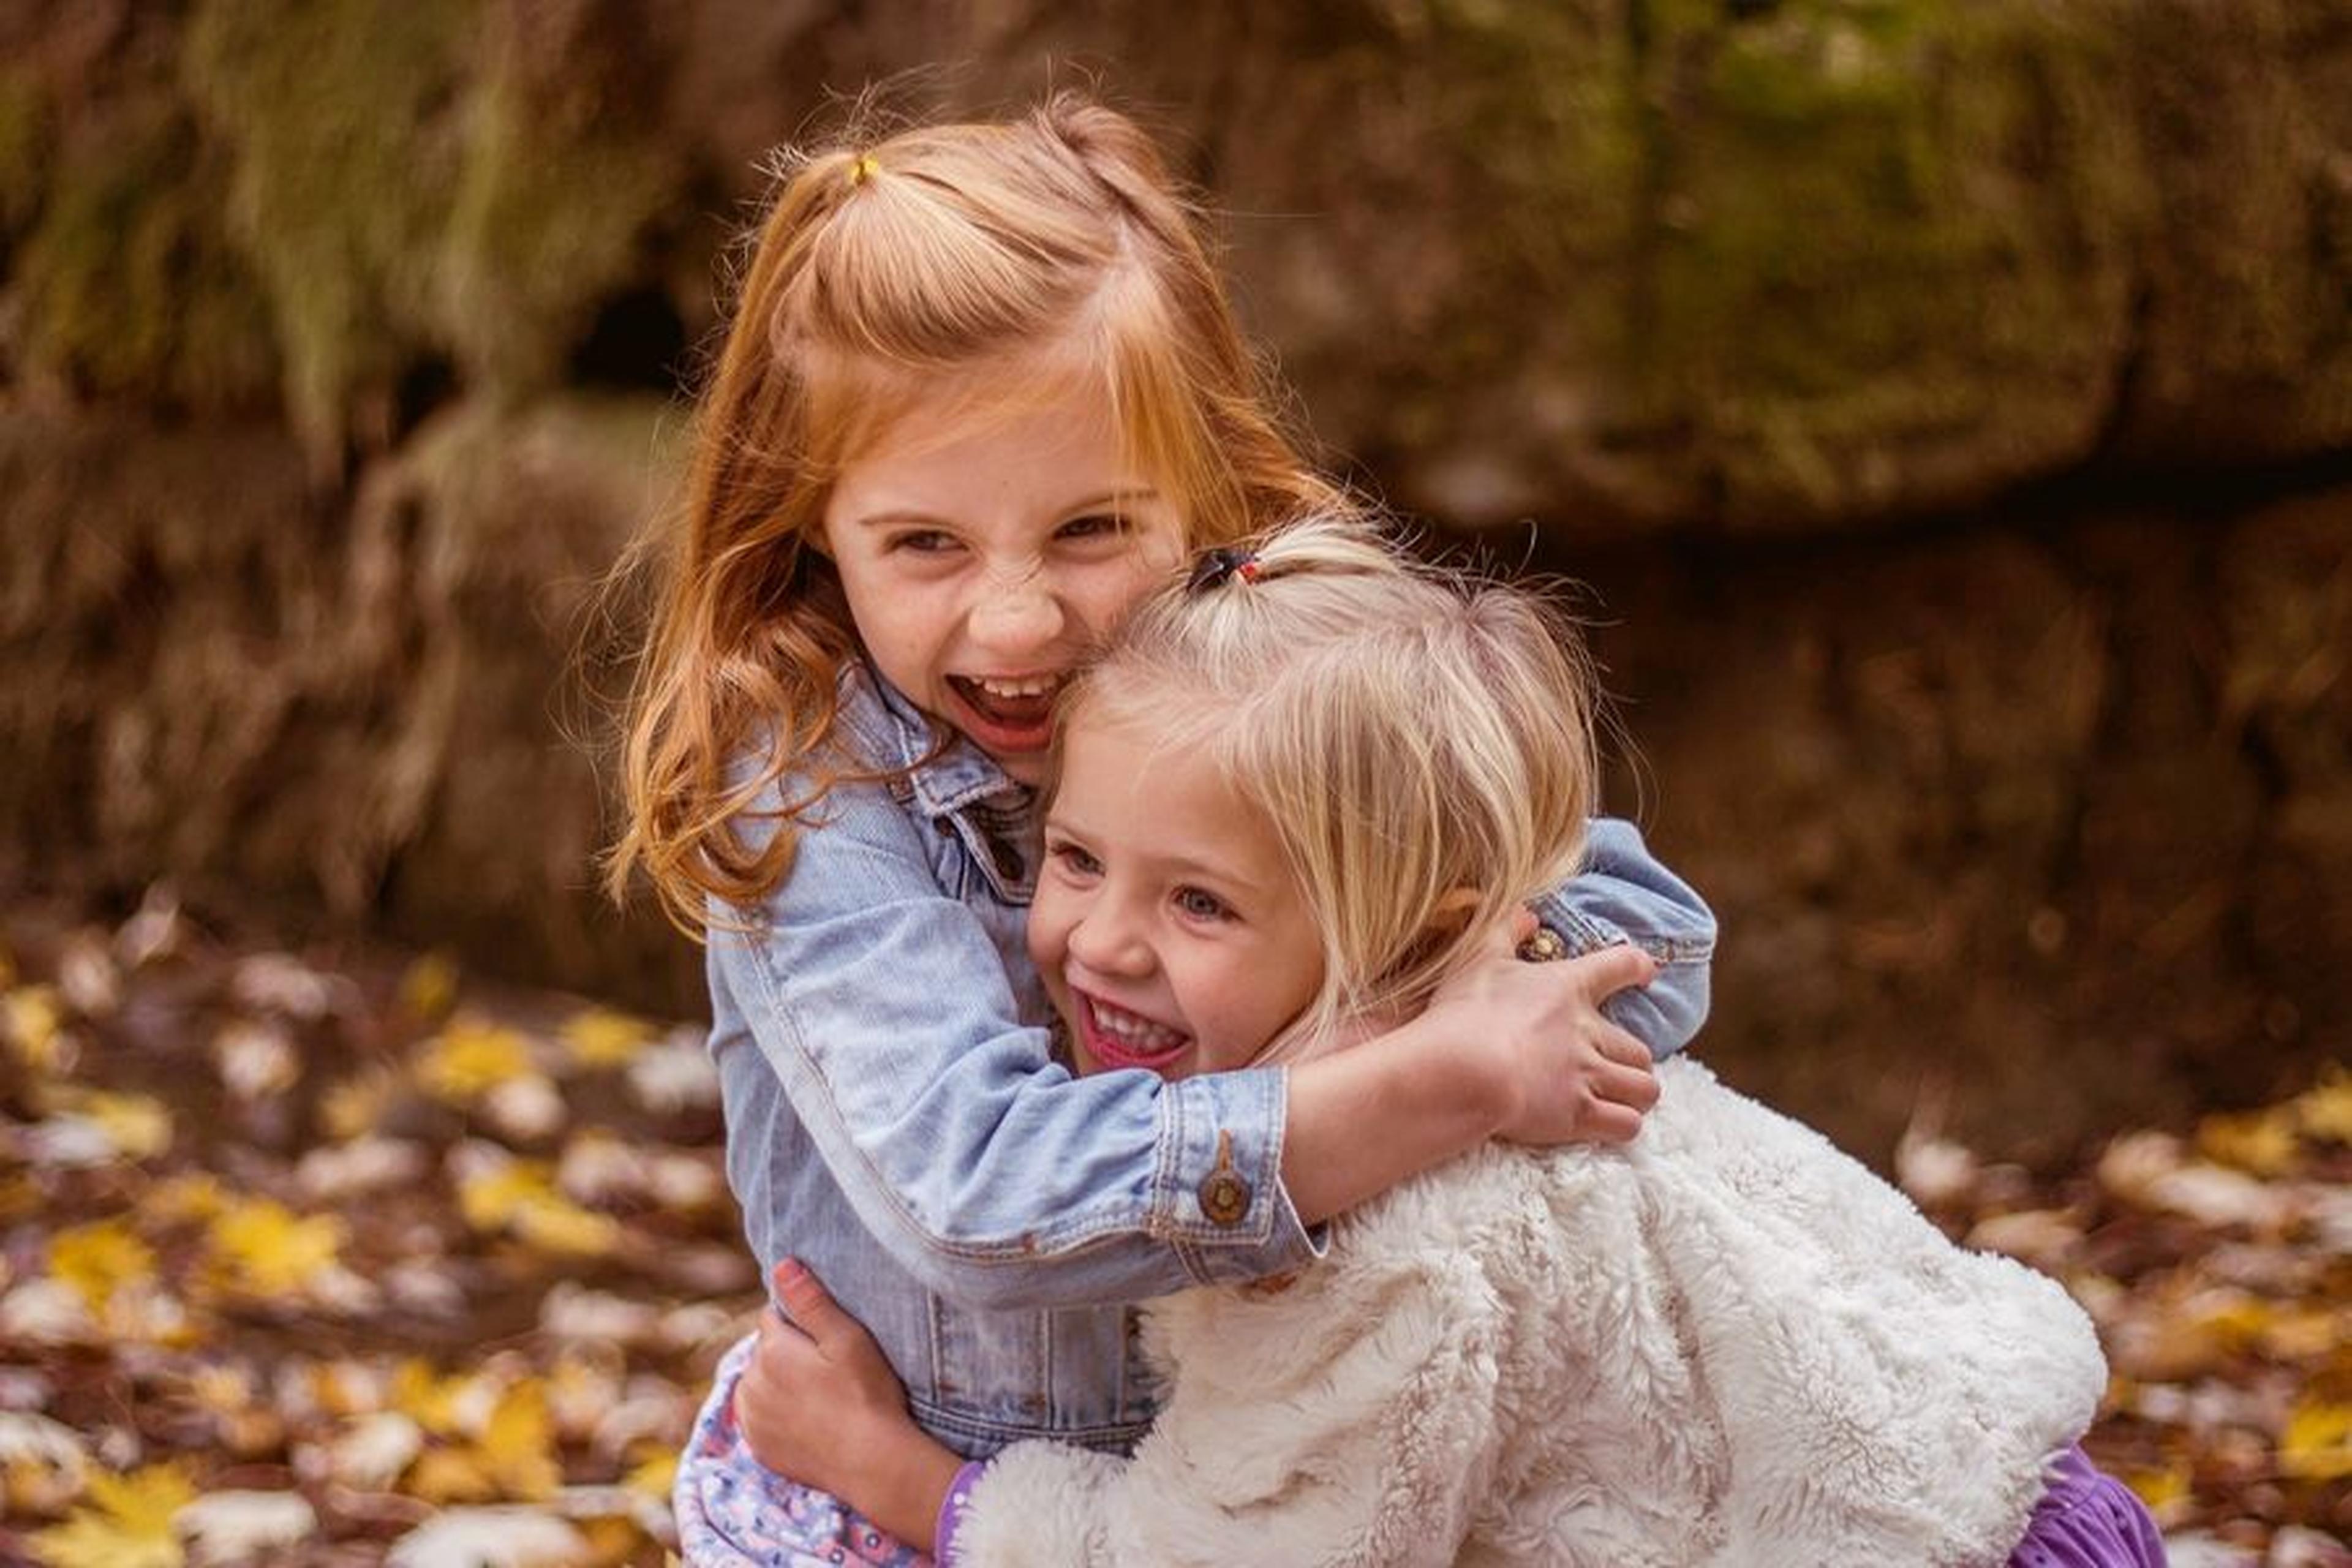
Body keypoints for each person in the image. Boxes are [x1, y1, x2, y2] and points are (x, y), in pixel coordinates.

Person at [606, 95, 1718, 1564]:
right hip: (921, 1487)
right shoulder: (814, 786)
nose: (1017, 619)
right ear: (812, 519)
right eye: (925, 543)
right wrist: (1419, 1082)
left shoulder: (1273, 682)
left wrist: (1415, 992)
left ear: (1202, 487)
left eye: (1090, 532)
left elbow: (1650, 943)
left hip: (1255, 1478)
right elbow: (980, 1194)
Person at [736, 515, 2168, 1567]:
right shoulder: (1510, 1023)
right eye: (1076, 858)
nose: (1104, 943)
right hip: (1994, 1481)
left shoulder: (1374, 1236)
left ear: (1419, 928)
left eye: (1201, 901)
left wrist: (906, 1478)